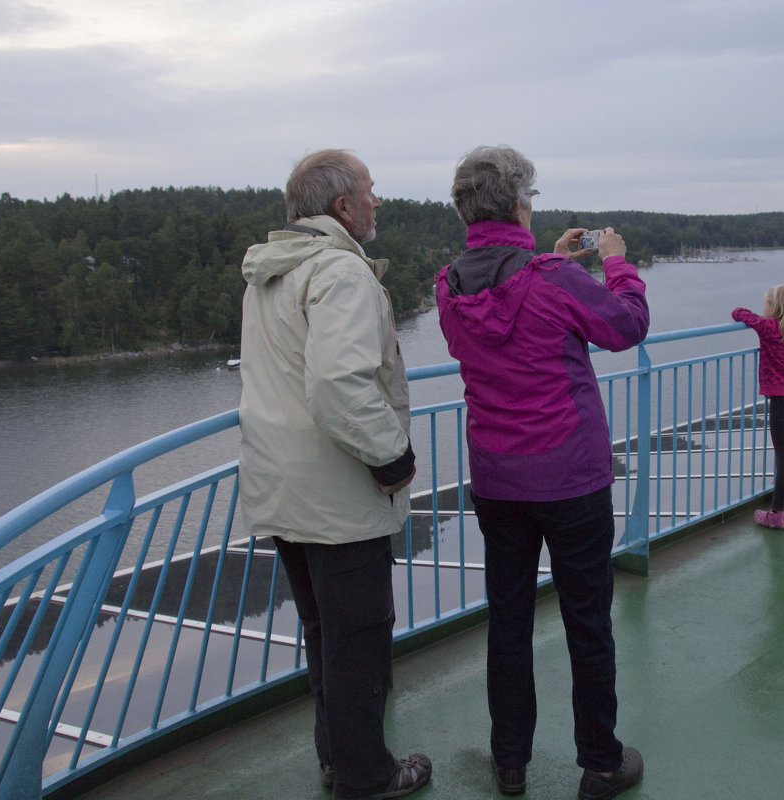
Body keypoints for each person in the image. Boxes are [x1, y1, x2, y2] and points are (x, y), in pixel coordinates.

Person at [435, 145, 648, 800]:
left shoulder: (448, 286)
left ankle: (510, 763)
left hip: (499, 483)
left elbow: (507, 294)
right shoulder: (552, 277)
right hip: (571, 479)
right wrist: (616, 263)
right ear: (520, 203)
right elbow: (627, 325)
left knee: (509, 620)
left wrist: (542, 250)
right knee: (588, 620)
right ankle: (601, 762)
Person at [237, 149, 431, 800]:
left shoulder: (269, 273)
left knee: (325, 634)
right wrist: (393, 459)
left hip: (282, 487)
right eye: (370, 191)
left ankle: (336, 760)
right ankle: (368, 777)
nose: (378, 201)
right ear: (343, 206)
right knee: (361, 642)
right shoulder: (339, 274)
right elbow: (338, 385)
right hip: (337, 495)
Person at [732, 285, 784, 529]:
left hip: (780, 402)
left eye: (767, 304)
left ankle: (776, 514)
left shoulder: (770, 328)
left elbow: (739, 313)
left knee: (783, 459)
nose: (763, 309)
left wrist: (755, 314)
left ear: (774, 308)